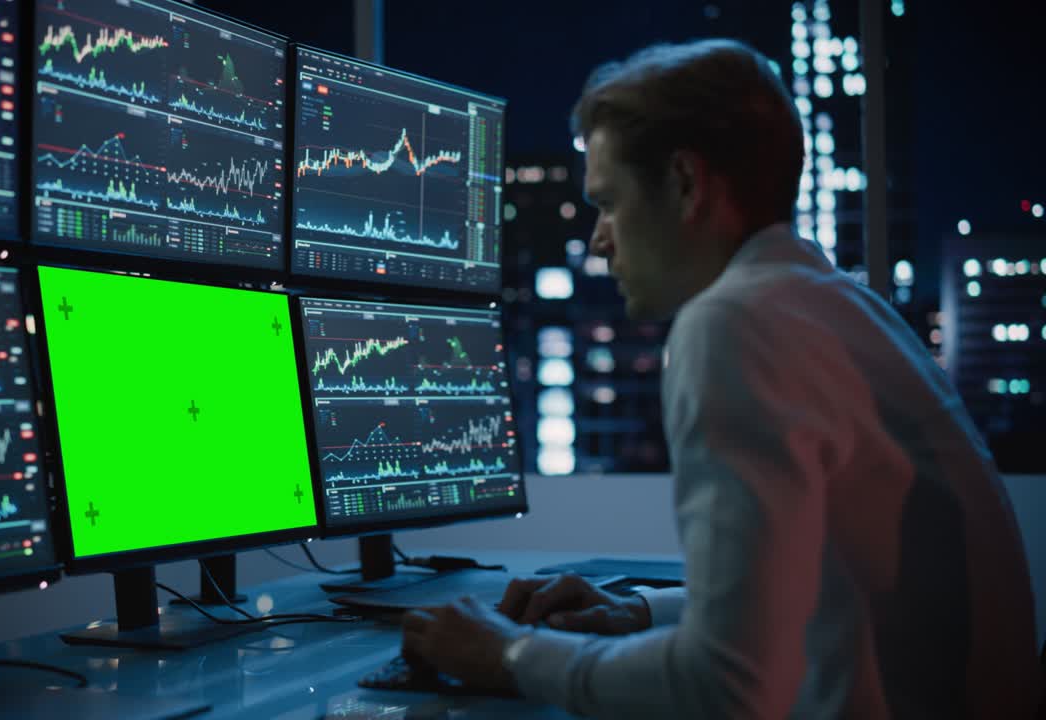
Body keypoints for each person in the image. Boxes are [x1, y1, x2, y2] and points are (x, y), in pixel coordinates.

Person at [400, 39, 1041, 718]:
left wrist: (508, 657)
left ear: (685, 183)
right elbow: (809, 593)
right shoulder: (832, 304)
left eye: (609, 203)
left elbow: (728, 687)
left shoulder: (734, 323)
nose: (597, 241)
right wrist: (636, 613)